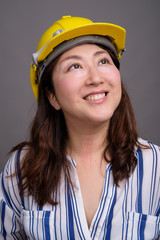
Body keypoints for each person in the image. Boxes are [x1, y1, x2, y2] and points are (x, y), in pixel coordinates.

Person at [0, 15, 159, 240]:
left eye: (103, 61)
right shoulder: (19, 170)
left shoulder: (156, 166)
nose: (95, 78)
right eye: (75, 66)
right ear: (52, 96)